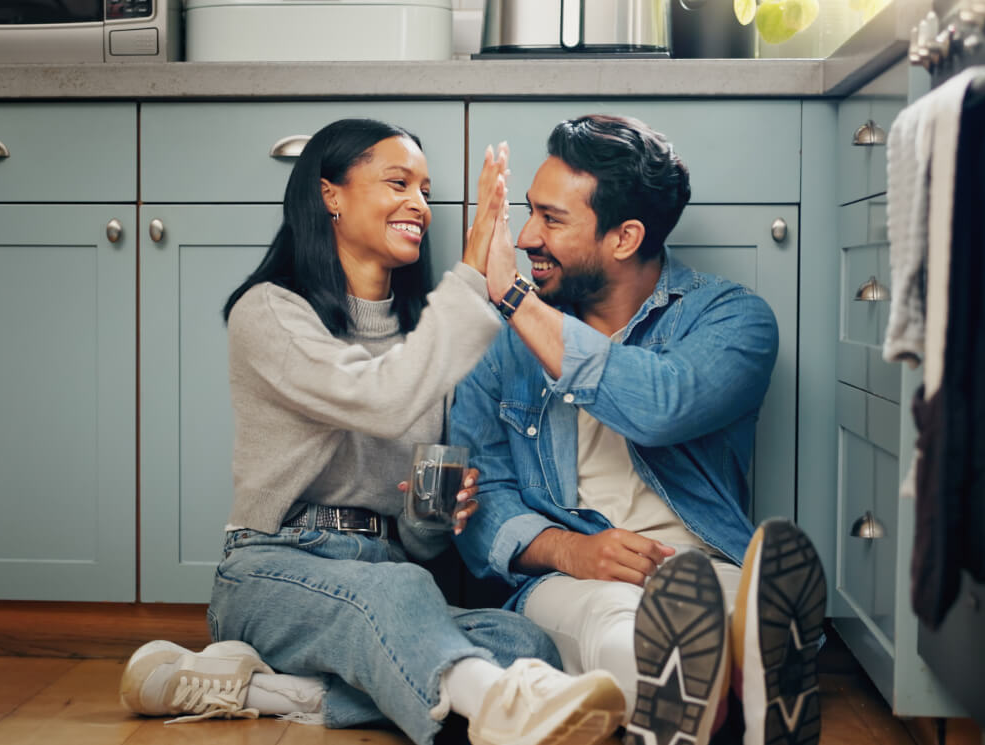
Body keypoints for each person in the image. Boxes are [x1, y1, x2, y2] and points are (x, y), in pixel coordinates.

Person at [117, 118, 627, 745]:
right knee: (401, 592)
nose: (418, 204)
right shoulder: (272, 313)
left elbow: (420, 542)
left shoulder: (428, 341)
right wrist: (472, 276)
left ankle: (272, 693)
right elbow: (379, 399)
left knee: (523, 640)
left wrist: (433, 513)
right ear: (330, 193)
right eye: (398, 183)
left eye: (426, 191)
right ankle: (499, 711)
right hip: (273, 571)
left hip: (388, 573)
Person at [447, 114, 828, 745]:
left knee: (739, 612)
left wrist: (515, 299)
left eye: (552, 219)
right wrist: (573, 551)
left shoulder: (734, 320)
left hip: (705, 563)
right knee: (613, 624)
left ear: (624, 238)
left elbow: (660, 406)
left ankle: (734, 685)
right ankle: (728, 702)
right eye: (529, 212)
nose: (525, 236)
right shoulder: (500, 342)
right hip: (573, 576)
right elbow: (478, 496)